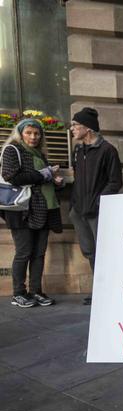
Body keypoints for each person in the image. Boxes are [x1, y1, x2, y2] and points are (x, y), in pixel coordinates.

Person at [0, 118, 64, 308]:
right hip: (22, 211)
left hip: (43, 208)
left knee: (38, 253)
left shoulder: (39, 153)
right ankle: (18, 293)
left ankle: (36, 291)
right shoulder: (12, 149)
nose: (33, 137)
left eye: (37, 133)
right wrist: (46, 174)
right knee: (24, 252)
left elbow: (43, 181)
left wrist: (56, 182)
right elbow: (12, 176)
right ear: (20, 133)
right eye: (28, 133)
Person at [69, 107, 123, 305]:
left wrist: (98, 201)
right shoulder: (78, 150)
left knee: (104, 253)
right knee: (89, 251)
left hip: (98, 211)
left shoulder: (107, 150)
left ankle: (109, 291)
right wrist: (74, 206)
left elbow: (115, 182)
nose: (72, 128)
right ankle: (99, 290)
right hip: (79, 211)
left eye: (75, 125)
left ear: (88, 128)